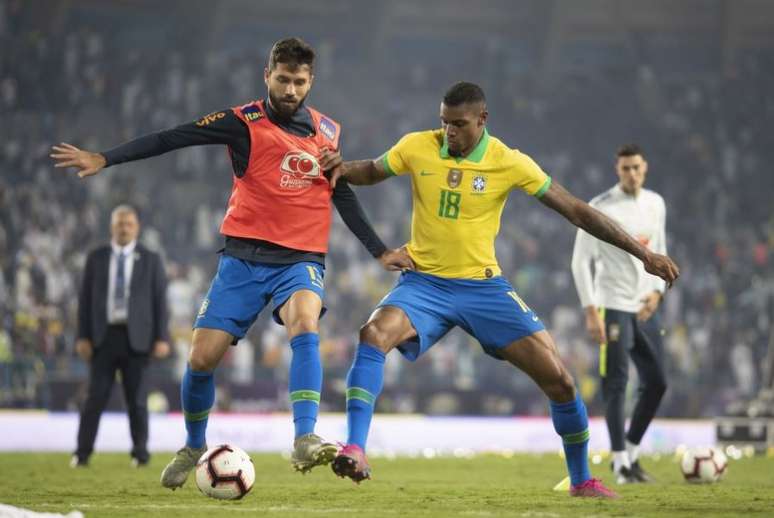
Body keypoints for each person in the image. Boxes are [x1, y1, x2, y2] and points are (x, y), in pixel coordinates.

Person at [51, 37, 412, 489]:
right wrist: (105, 158)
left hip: (300, 258)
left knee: (305, 322)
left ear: (310, 82)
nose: (291, 89)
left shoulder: (328, 132)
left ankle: (304, 437)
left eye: (300, 82)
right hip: (242, 259)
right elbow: (172, 137)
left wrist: (379, 251)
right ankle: (193, 444)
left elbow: (341, 193)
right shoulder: (242, 122)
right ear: (268, 75)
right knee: (201, 360)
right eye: (283, 79)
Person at [327, 82, 679, 498]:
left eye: (458, 124)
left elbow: (578, 211)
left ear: (482, 119)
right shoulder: (418, 145)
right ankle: (355, 448)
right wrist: (344, 167)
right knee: (372, 333)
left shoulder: (507, 161)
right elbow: (374, 169)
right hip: (425, 283)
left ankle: (582, 479)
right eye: (443, 123)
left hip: (484, 289)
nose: (449, 132)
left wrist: (642, 254)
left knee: (562, 382)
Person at [570, 144, 668, 484]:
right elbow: (581, 261)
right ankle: (620, 462)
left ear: (646, 168)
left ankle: (631, 452)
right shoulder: (600, 208)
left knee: (657, 382)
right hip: (612, 305)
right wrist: (590, 310)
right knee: (617, 384)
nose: (632, 173)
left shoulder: (656, 204)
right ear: (617, 169)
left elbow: (660, 250)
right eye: (625, 168)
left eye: (636, 167)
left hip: (644, 307)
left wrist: (658, 291)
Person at [72, 205, 171, 468]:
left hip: (137, 339)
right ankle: (81, 454)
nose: (124, 228)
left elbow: (160, 301)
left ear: (137, 227)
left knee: (138, 400)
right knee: (94, 398)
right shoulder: (97, 257)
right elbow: (84, 300)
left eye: (128, 224)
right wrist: (82, 336)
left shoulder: (151, 259)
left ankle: (140, 454)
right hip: (103, 338)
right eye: (119, 224)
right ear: (111, 227)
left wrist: (162, 337)